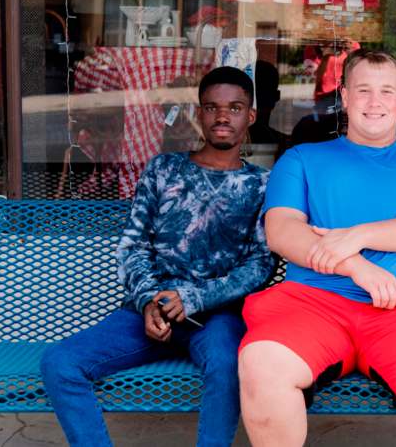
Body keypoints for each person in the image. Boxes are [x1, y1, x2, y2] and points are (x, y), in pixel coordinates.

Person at [238, 49, 396, 447]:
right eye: (363, 90)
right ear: (345, 97)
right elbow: (282, 230)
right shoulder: (302, 158)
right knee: (261, 365)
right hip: (313, 303)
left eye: (386, 91)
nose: (374, 102)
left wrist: (359, 235)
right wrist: (355, 265)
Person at [40, 66, 273, 447]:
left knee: (228, 365)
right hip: (148, 311)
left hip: (217, 316)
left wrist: (194, 298)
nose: (222, 116)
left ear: (250, 115)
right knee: (60, 363)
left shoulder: (261, 184)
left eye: (234, 107)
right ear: (199, 113)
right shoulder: (164, 169)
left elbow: (260, 265)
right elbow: (133, 244)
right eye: (212, 107)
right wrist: (149, 299)